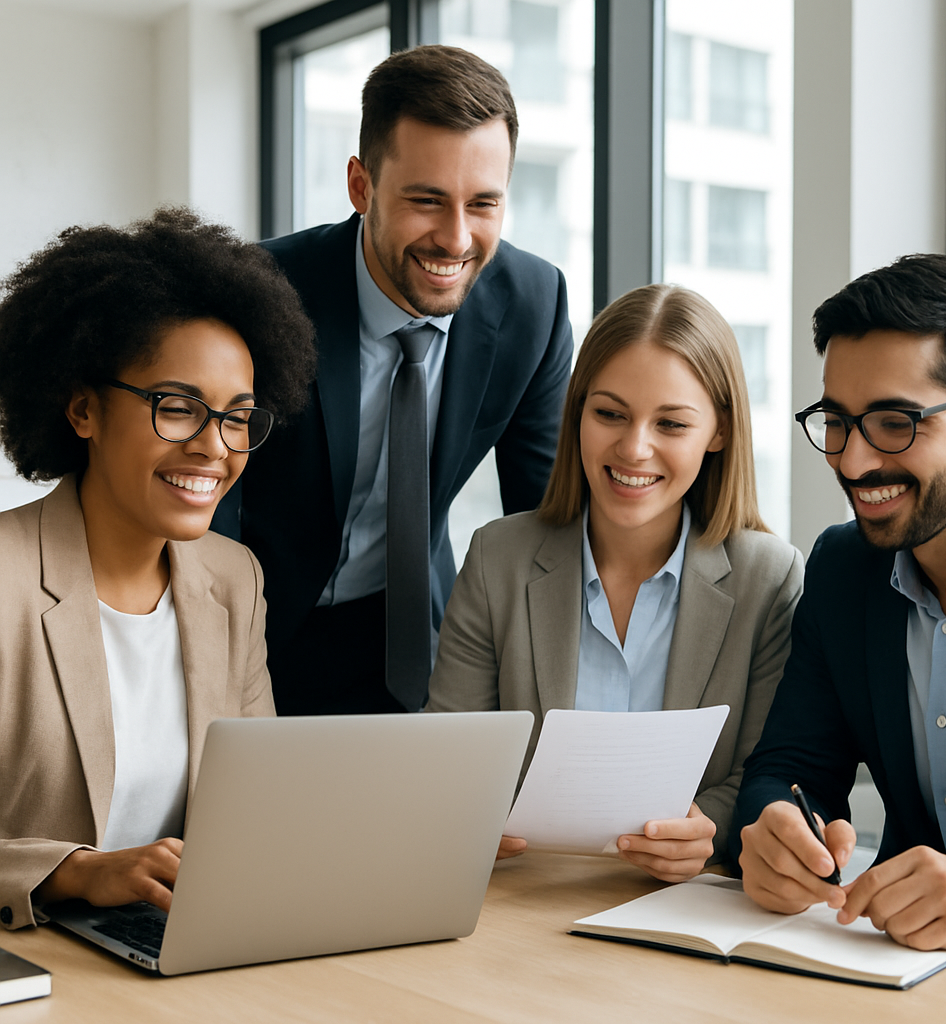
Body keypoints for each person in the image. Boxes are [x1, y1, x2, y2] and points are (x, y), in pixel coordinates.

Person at [212, 45, 572, 717]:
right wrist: (212, 666)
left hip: (412, 639)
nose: (456, 239)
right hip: (252, 627)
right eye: (427, 200)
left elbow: (545, 520)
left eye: (483, 203)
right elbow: (211, 502)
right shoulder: (258, 291)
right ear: (361, 185)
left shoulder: (534, 303)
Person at [0, 208, 317, 930]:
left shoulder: (234, 579)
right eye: (178, 408)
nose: (214, 447)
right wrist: (75, 872)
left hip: (177, 945)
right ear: (83, 409)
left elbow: (257, 807)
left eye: (237, 417)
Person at [427, 284, 803, 882]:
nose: (634, 448)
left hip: (681, 906)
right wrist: (460, 813)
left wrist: (706, 825)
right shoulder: (498, 558)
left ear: (720, 432)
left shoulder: (770, 578)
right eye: (609, 414)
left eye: (671, 423)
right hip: (517, 900)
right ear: (577, 412)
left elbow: (766, 773)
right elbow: (448, 761)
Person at [730, 253, 946, 952]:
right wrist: (777, 830)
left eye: (895, 422)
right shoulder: (843, 568)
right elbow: (789, 767)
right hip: (892, 969)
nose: (854, 462)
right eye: (837, 421)